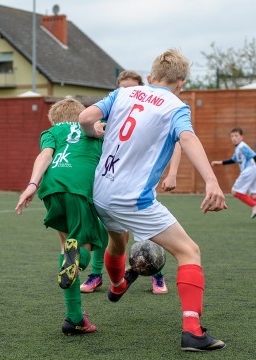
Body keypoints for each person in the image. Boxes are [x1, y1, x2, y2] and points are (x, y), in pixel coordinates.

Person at [79, 48, 227, 351]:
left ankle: (118, 286)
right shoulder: (176, 107)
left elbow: (85, 117)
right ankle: (193, 332)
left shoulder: (125, 93)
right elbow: (187, 139)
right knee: (189, 251)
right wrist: (211, 180)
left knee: (117, 243)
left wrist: (92, 132)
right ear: (181, 82)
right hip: (133, 198)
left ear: (150, 77)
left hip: (102, 190)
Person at [15, 97, 107, 335]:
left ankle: (74, 318)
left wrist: (32, 184)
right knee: (92, 240)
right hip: (78, 188)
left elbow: (45, 155)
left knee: (67, 245)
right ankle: (78, 261)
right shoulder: (95, 127)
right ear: (81, 115)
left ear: (53, 119)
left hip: (51, 187)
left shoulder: (51, 132)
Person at [79, 70, 173, 295]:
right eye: (123, 89)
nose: (128, 92)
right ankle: (96, 275)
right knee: (110, 237)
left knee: (148, 235)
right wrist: (97, 130)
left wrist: (173, 173)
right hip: (110, 184)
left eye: (132, 88)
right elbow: (88, 129)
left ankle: (157, 277)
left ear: (141, 88)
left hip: (139, 186)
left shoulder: (154, 110)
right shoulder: (111, 110)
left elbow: (177, 139)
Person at [212, 127, 256, 224]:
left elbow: (254, 156)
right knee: (254, 195)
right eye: (232, 136)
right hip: (253, 170)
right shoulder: (238, 148)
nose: (234, 138)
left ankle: (254, 205)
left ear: (242, 137)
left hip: (250, 170)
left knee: (235, 192)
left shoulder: (242, 146)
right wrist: (219, 162)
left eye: (236, 136)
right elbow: (233, 160)